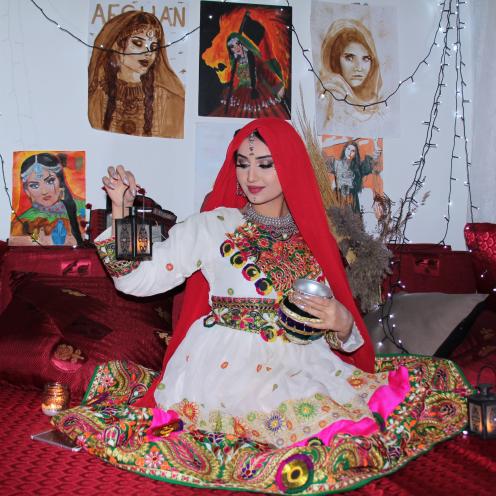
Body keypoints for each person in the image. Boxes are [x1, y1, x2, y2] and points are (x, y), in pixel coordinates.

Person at [52, 119, 469, 494]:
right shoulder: (213, 225)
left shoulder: (312, 238)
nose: (251, 176)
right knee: (307, 429)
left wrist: (342, 321)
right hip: (227, 364)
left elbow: (337, 335)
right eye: (243, 163)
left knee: (363, 417)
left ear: (290, 166)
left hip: (302, 358)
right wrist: (122, 210)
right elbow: (136, 281)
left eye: (265, 164)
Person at [88, 11, 185, 139]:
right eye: (138, 43)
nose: (148, 53)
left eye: (154, 47)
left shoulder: (171, 102)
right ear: (116, 45)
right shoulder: (96, 96)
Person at [318, 18, 385, 133]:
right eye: (349, 58)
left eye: (366, 59)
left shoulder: (377, 103)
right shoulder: (329, 95)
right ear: (336, 60)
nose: (358, 67)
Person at [10, 153, 85, 246]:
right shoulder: (23, 222)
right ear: (27, 191)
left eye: (50, 181)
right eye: (34, 185)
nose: (44, 191)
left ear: (60, 182)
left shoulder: (83, 207)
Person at [327, 139, 382, 214]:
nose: (349, 152)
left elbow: (370, 165)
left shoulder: (358, 167)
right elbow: (322, 165)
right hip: (338, 197)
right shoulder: (336, 163)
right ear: (345, 149)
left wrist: (376, 152)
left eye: (352, 151)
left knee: (353, 219)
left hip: (352, 200)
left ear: (355, 154)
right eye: (348, 149)